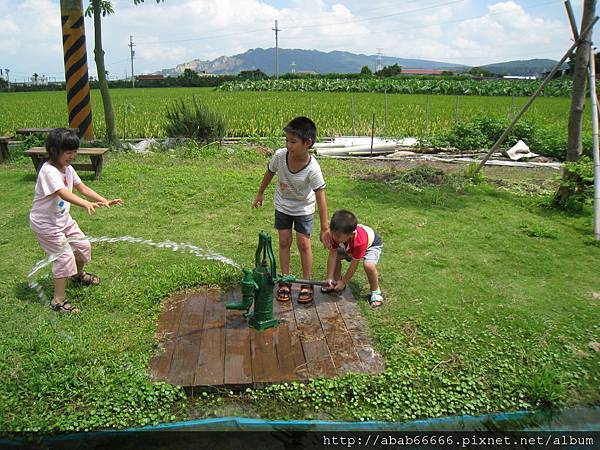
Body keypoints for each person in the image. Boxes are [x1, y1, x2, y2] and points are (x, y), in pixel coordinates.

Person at [30, 128, 123, 313]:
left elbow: (82, 187)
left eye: (74, 152)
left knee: (84, 246)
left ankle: (77, 276)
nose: (72, 156)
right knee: (64, 257)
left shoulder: (68, 169)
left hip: (63, 220)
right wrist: (85, 204)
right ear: (54, 151)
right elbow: (62, 192)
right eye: (68, 152)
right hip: (46, 225)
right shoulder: (49, 171)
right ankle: (58, 300)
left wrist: (104, 200)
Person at [253, 116, 331, 304]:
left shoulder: (313, 169)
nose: (289, 145)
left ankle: (306, 283)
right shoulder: (280, 156)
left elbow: (320, 196)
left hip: (303, 208)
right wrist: (260, 193)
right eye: (287, 140)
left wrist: (324, 228)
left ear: (308, 143)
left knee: (304, 244)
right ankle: (285, 280)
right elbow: (270, 172)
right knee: (284, 241)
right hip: (283, 205)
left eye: (293, 142)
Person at [323, 209, 384, 307]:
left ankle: (376, 292)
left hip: (371, 245)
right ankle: (335, 282)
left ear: (351, 234)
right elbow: (332, 256)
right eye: (332, 233)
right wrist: (329, 278)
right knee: (337, 257)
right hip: (348, 246)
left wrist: (344, 282)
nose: (334, 237)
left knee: (369, 266)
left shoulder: (359, 242)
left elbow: (353, 266)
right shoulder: (336, 235)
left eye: (337, 236)